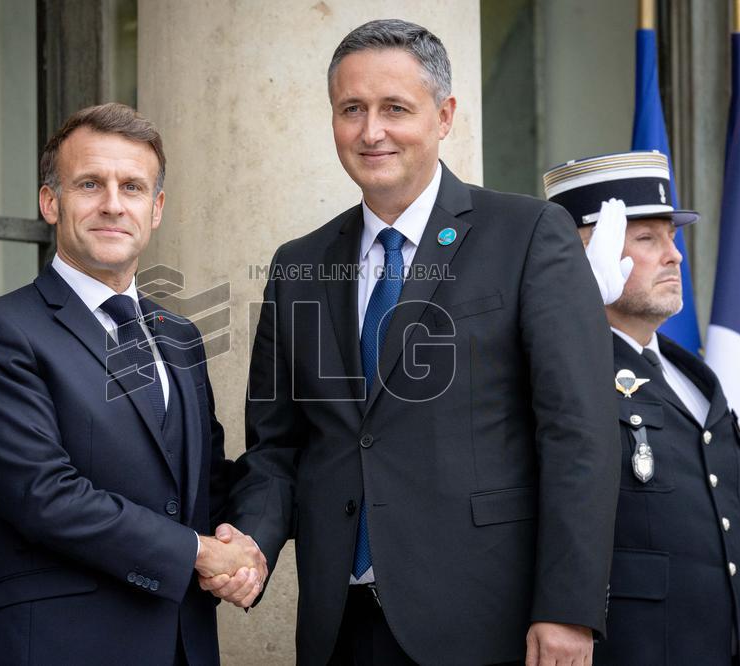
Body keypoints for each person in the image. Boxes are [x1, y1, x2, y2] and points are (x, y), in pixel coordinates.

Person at [205, 19, 620, 665]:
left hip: (487, 621)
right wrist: (253, 541)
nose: (371, 132)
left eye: (395, 108)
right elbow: (279, 447)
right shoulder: (300, 264)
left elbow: (579, 433)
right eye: (352, 110)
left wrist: (567, 607)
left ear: (444, 114)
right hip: (339, 622)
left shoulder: (529, 234)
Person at [0, 103, 265, 665]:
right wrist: (197, 553)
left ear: (156, 208)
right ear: (51, 201)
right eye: (90, 184)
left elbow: (204, 486)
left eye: (133, 187)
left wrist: (247, 547)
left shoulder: (182, 337)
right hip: (52, 647)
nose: (113, 205)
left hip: (179, 648)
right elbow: (43, 495)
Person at [544, 150, 740, 666]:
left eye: (673, 237)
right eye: (645, 239)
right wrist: (572, 305)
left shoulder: (692, 376)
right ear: (586, 255)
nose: (674, 256)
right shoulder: (558, 365)